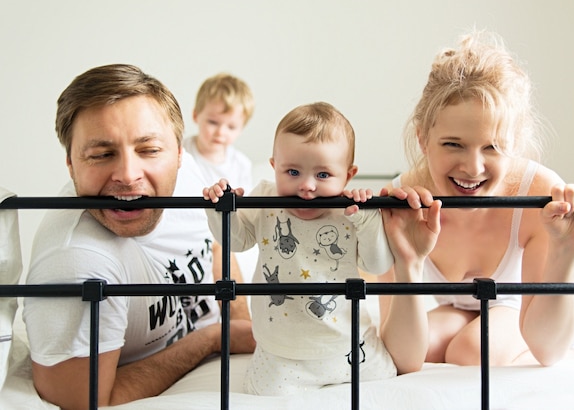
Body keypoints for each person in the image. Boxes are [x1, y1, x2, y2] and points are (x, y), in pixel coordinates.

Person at [22, 64, 255, 410]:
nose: (129, 176)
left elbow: (216, 245)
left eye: (149, 150)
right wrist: (211, 340)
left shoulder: (191, 177)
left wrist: (239, 322)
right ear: (70, 164)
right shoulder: (75, 261)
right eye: (101, 154)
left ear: (179, 154)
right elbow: (86, 401)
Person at [377, 30, 574, 373]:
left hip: (544, 301)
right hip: (465, 304)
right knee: (419, 344)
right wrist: (408, 262)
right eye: (453, 144)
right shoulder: (402, 203)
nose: (473, 168)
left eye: (492, 147)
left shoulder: (539, 194)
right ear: (423, 139)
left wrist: (567, 248)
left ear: (513, 145)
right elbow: (401, 359)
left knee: (472, 351)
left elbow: (546, 348)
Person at [203, 102, 397, 395]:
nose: (307, 186)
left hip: (350, 344)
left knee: (386, 389)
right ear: (274, 166)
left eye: (323, 175)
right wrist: (221, 212)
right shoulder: (265, 198)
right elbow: (237, 242)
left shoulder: (350, 210)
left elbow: (378, 265)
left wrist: (369, 219)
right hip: (281, 353)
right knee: (263, 399)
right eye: (292, 171)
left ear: (348, 174)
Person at [183, 72, 255, 192]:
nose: (220, 132)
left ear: (241, 129)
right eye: (213, 122)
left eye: (231, 127)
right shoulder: (181, 152)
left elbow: (245, 207)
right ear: (196, 115)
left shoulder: (241, 165)